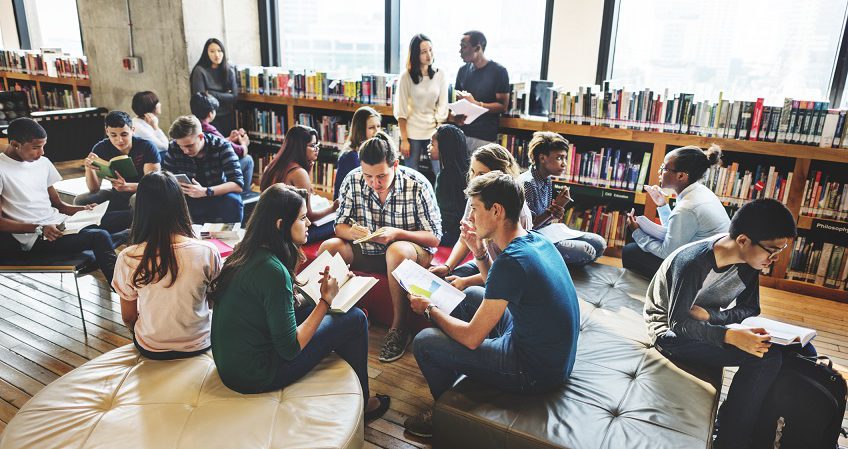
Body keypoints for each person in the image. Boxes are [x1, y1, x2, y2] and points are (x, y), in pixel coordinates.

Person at [404, 171, 580, 438]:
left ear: (496, 210)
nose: (470, 217)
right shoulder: (534, 239)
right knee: (472, 295)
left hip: (533, 370)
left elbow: (473, 338)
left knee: (425, 341)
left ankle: (449, 414)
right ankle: (468, 384)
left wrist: (429, 309)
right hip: (552, 357)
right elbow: (495, 284)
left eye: (474, 209)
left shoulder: (512, 261)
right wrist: (479, 252)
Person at [209, 184, 391, 420]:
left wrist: (325, 293)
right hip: (257, 375)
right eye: (303, 218)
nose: (309, 224)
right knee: (355, 318)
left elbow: (273, 304)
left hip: (231, 365)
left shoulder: (244, 251)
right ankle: (363, 405)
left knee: (313, 305)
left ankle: (345, 391)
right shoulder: (273, 270)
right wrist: (325, 301)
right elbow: (289, 348)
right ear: (280, 225)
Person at [644, 198, 813, 449]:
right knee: (765, 358)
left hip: (703, 323)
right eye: (772, 250)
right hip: (668, 332)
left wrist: (713, 318)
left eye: (781, 251)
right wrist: (730, 336)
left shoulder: (749, 261)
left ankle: (766, 431)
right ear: (743, 240)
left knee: (803, 351)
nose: (775, 259)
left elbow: (750, 308)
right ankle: (731, 440)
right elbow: (678, 324)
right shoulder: (694, 262)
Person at [319, 132, 441, 363]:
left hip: (409, 253)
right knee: (329, 247)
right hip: (368, 251)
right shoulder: (353, 179)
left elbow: (434, 237)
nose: (375, 183)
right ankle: (331, 315)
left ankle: (398, 329)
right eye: (368, 176)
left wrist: (397, 234)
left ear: (395, 164)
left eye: (381, 176)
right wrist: (351, 232)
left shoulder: (417, 184)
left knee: (396, 250)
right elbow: (339, 226)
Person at [0, 118, 127, 284]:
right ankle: (123, 291)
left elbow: (60, 205)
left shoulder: (42, 163)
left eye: (43, 146)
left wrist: (83, 210)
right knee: (100, 237)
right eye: (36, 147)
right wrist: (39, 228)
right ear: (15, 144)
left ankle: (119, 241)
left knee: (129, 216)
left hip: (61, 223)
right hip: (37, 237)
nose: (42, 152)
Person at [112, 172, 221, 360]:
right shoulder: (207, 251)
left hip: (151, 346)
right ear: (180, 205)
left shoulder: (128, 257)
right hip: (199, 342)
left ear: (140, 208)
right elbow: (214, 301)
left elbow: (128, 318)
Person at [430, 143, 533, 291]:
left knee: (466, 291)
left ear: (500, 176)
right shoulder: (478, 197)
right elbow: (465, 238)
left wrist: (466, 281)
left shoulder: (518, 213)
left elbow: (509, 271)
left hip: (506, 274)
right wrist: (447, 266)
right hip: (483, 261)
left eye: (481, 174)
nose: (474, 179)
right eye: (472, 172)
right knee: (446, 281)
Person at [623, 144, 730, 278]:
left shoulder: (687, 207)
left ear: (681, 176)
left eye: (665, 168)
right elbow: (676, 231)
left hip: (699, 275)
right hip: (710, 264)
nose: (659, 171)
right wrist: (662, 205)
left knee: (630, 251)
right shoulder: (700, 191)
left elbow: (667, 253)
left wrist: (637, 232)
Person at [518, 131, 606, 265]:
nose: (564, 164)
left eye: (565, 158)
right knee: (587, 251)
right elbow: (527, 228)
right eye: (559, 158)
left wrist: (556, 211)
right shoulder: (528, 183)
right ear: (542, 158)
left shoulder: (546, 179)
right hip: (532, 238)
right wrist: (551, 212)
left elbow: (546, 218)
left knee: (599, 243)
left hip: (548, 231)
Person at [259, 125, 339, 242]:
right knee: (337, 222)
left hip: (269, 228)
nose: (317, 149)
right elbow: (309, 216)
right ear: (300, 148)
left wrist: (308, 171)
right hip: (287, 234)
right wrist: (333, 208)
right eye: (312, 145)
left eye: (317, 145)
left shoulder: (273, 165)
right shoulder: (299, 173)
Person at [162, 115, 244, 224]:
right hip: (188, 197)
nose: (185, 151)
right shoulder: (173, 147)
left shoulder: (222, 146)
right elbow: (165, 176)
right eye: (181, 146)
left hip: (216, 194)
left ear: (201, 137)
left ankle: (231, 236)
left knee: (233, 200)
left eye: (189, 146)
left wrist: (205, 191)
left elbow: (237, 185)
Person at [77, 111, 161, 213]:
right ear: (107, 131)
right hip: (116, 194)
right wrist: (88, 168)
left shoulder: (147, 147)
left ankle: (124, 221)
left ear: (132, 130)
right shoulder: (100, 148)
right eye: (113, 135)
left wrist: (127, 186)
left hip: (141, 193)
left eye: (124, 134)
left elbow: (154, 185)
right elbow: (94, 189)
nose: (119, 140)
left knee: (135, 199)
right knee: (81, 200)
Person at [394, 34, 449, 176]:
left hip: (433, 132)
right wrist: (404, 139)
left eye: (430, 50)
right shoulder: (406, 76)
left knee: (440, 173)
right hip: (412, 133)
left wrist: (438, 133)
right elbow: (401, 110)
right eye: (424, 52)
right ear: (415, 54)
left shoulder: (440, 74)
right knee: (412, 175)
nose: (429, 55)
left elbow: (443, 106)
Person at [451, 30, 510, 155]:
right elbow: (457, 102)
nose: (460, 51)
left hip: (484, 137)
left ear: (477, 48)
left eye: (464, 47)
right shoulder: (462, 71)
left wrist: (476, 104)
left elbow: (503, 106)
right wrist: (456, 116)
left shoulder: (499, 72)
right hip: (462, 133)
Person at [189, 92, 254, 193]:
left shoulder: (192, 126)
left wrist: (229, 139)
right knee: (248, 159)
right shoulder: (209, 128)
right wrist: (244, 143)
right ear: (211, 113)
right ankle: (245, 194)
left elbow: (214, 143)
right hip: (216, 173)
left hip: (200, 173)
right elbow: (239, 152)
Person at [427, 124, 469, 246]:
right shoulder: (466, 170)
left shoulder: (445, 177)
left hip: (452, 236)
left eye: (432, 144)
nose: (428, 147)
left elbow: (445, 218)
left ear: (445, 147)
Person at [190, 38, 238, 135]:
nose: (217, 55)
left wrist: (211, 93)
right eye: (212, 51)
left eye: (219, 51)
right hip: (209, 118)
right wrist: (225, 95)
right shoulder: (199, 71)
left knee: (230, 143)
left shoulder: (229, 69)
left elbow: (234, 96)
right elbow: (202, 101)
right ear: (206, 53)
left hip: (227, 114)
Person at [333, 106, 381, 200]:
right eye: (371, 127)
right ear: (360, 130)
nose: (377, 131)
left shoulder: (371, 150)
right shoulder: (351, 156)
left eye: (378, 126)